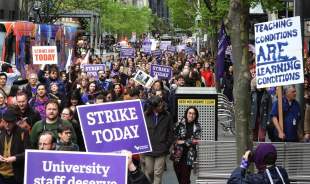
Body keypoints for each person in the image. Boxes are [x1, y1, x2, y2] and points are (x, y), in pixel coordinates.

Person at [142, 95, 174, 184]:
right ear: (153, 107)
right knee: (149, 172)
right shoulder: (145, 115)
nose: (161, 106)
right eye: (159, 105)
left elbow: (171, 132)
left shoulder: (167, 115)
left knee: (157, 173)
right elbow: (141, 131)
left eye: (162, 104)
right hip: (149, 150)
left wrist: (166, 145)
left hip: (161, 150)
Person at [171, 106, 201, 184]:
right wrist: (188, 141)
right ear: (186, 113)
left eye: (194, 114)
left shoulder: (197, 126)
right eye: (190, 113)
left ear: (196, 115)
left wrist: (182, 141)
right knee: (180, 177)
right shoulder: (179, 123)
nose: (191, 115)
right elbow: (174, 139)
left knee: (185, 177)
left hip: (189, 155)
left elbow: (196, 140)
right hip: (177, 155)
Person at [0, 108, 31, 184]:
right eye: (5, 122)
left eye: (9, 122)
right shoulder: (1, 132)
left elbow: (28, 153)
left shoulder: (23, 133)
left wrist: (15, 158)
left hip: (15, 175)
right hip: (1, 174)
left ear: (14, 122)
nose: (7, 124)